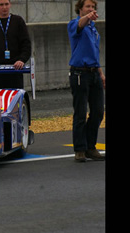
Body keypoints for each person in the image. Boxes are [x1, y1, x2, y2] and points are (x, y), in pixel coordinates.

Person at [68, 0, 105, 162]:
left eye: (93, 7)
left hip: (93, 73)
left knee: (98, 111)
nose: (91, 10)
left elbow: (94, 52)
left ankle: (91, 146)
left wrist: (101, 73)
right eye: (88, 7)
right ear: (80, 9)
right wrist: (88, 17)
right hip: (79, 74)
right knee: (81, 112)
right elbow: (80, 25)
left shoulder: (93, 28)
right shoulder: (76, 24)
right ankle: (80, 149)